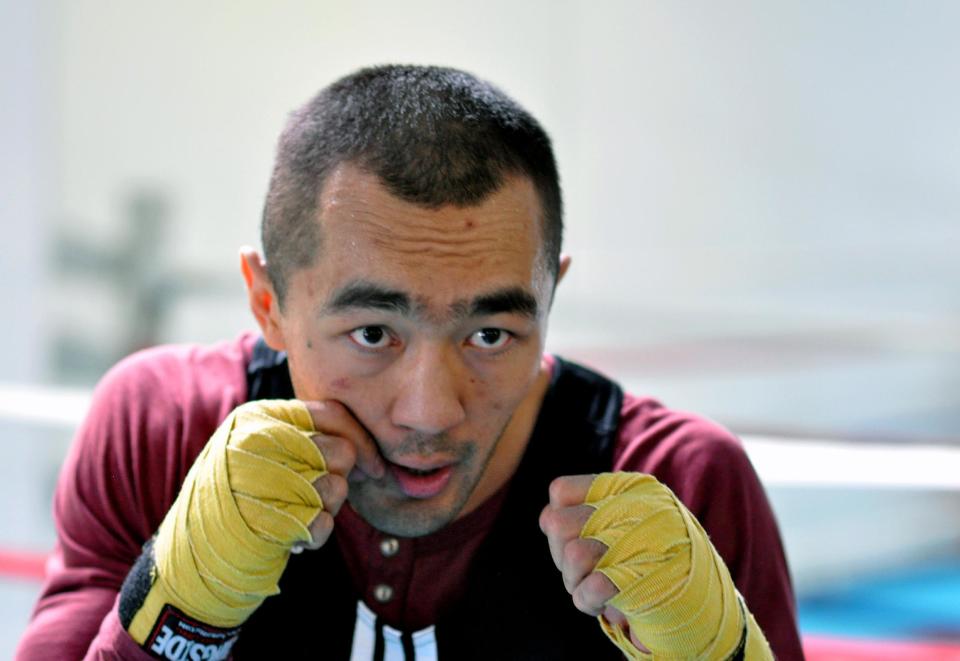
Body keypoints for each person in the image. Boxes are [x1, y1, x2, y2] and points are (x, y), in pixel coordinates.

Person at [17, 65, 804, 660]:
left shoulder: (682, 480)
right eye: (373, 333)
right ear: (268, 302)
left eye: (489, 333)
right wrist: (177, 610)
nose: (430, 410)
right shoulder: (160, 427)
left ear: (549, 298)